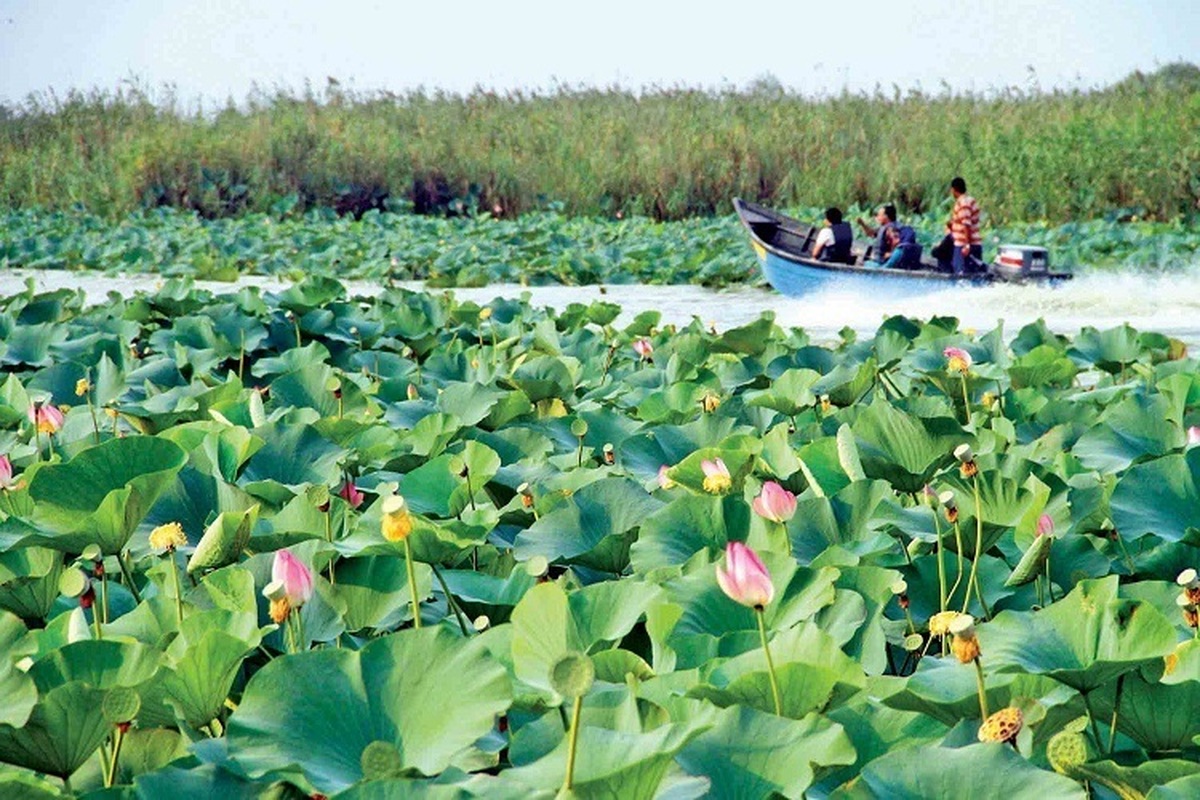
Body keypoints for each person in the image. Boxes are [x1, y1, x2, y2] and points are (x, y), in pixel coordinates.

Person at [949, 177, 983, 274]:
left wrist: (967, 245)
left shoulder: (963, 203)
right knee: (974, 275)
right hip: (973, 243)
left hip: (964, 244)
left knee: (962, 276)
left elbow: (966, 224)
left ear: (954, 190)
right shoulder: (970, 200)